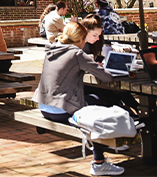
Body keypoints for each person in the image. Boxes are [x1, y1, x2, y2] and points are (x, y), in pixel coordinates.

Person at [34, 21, 124, 176]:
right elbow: (107, 77)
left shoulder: (52, 50)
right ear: (81, 39)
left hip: (44, 106)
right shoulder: (77, 54)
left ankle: (106, 144)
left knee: (95, 99)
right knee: (99, 103)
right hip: (60, 108)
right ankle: (99, 162)